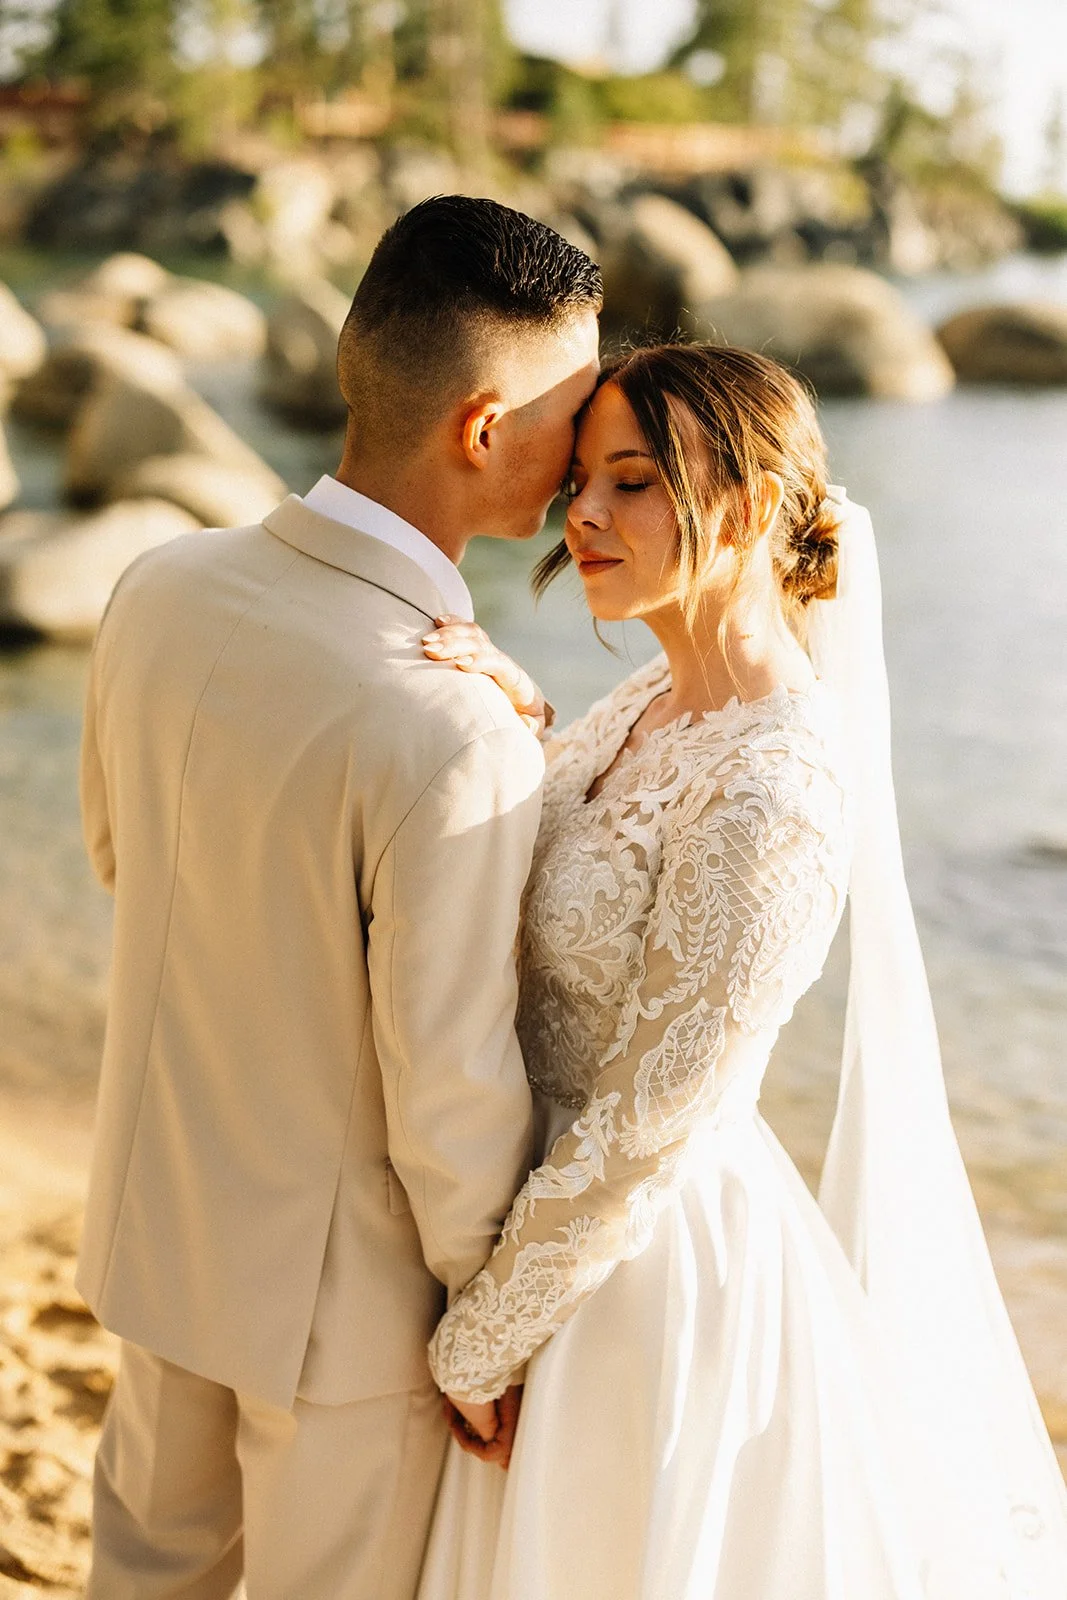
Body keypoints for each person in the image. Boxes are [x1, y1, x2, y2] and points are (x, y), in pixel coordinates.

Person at [418, 343, 1067, 1599]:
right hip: (539, 1233)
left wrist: (483, 1334)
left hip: (641, 1285)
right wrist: (493, 720)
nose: (584, 515)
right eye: (581, 481)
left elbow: (654, 1118)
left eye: (634, 480)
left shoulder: (776, 785)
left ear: (752, 502)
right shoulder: (644, 706)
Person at [76, 195, 601, 1600]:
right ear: (484, 430)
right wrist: (490, 1317)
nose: (588, 457)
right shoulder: (449, 722)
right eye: (577, 413)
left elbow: (121, 858)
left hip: (154, 1215)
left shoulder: (155, 582)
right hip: (340, 1311)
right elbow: (448, 1089)